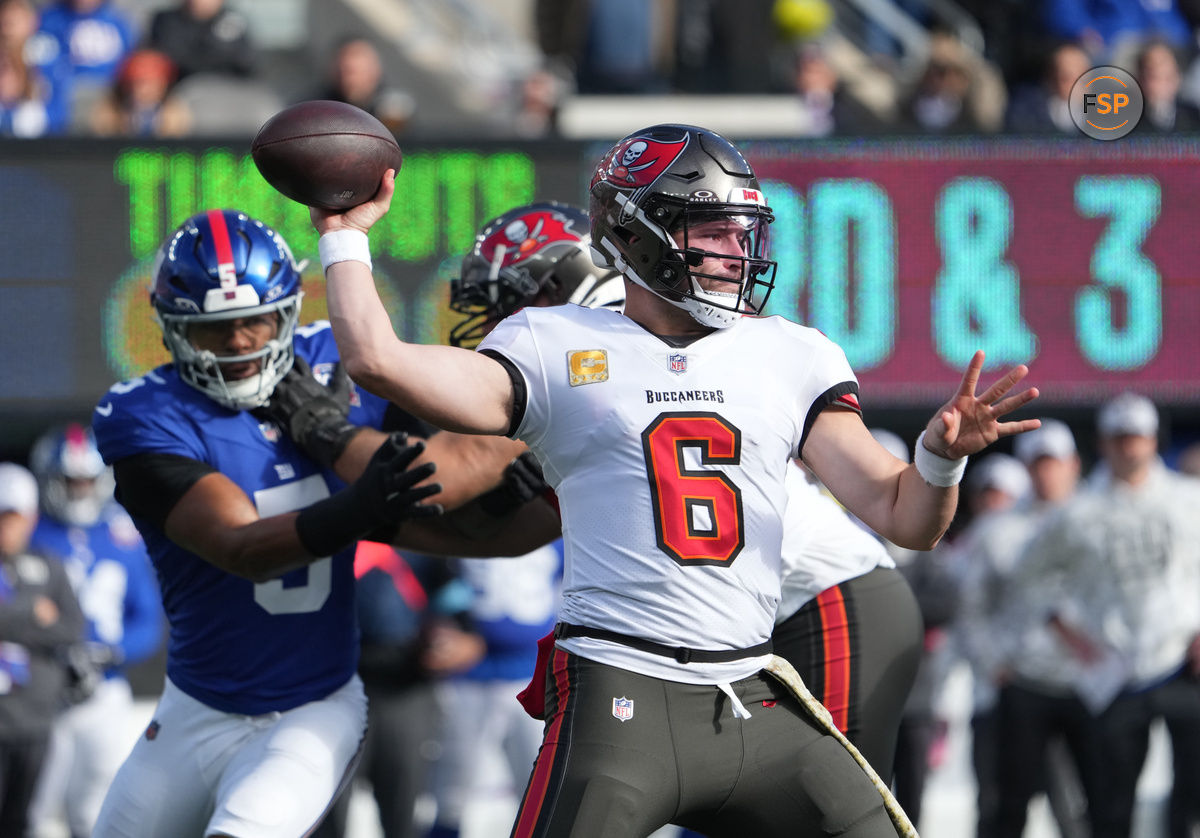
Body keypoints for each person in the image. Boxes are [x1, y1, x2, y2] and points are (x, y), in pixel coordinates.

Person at [310, 121, 1041, 837]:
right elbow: (378, 359)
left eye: (740, 231)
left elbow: (906, 516)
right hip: (622, 690)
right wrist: (345, 232)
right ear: (634, 237)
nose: (734, 252)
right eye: (711, 230)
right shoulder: (558, 344)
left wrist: (942, 457)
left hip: (755, 688)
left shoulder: (789, 351)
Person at [88, 208, 447, 838]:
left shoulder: (337, 360)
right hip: (194, 707)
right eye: (213, 331)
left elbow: (449, 461)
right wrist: (358, 505)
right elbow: (240, 546)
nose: (238, 345)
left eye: (255, 321)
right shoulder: (145, 411)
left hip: (311, 707)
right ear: (172, 329)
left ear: (287, 308)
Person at [1016, 393, 1200, 838]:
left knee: (1192, 796)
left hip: (1184, 658)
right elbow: (1028, 574)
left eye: (1137, 438)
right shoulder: (1077, 511)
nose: (1130, 448)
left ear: (1154, 440)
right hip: (1114, 667)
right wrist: (1062, 626)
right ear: (1104, 443)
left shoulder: (1189, 498)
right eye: (1121, 439)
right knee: (1110, 805)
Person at [25, 422, 163, 838]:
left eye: (87, 481)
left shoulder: (123, 534)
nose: (80, 490)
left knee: (102, 810)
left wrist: (110, 651)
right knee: (35, 810)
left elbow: (148, 619)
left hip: (105, 688)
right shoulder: (26, 532)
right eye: (70, 481)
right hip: (41, 687)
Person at [985, 419, 1099, 838]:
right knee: (1012, 801)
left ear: (1073, 465)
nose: (1047, 472)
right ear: (1026, 468)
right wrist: (993, 661)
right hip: (1024, 681)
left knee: (1100, 799)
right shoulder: (997, 529)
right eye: (1038, 463)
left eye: (1054, 463)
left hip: (1092, 680)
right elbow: (975, 606)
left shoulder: (1100, 519)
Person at [0, 462, 85, 837]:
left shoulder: (48, 565)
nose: (6, 526)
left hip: (35, 716)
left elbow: (71, 627)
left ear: (31, 518)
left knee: (27, 820)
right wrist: (32, 614)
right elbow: (45, 623)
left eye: (12, 517)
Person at [317, 36, 415, 136]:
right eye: (343, 72)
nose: (349, 81)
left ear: (374, 70)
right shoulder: (320, 106)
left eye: (353, 72)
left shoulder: (393, 106)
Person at [87, 48, 192, 137]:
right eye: (139, 83)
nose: (144, 90)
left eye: (151, 83)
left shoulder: (173, 111)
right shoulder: (114, 109)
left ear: (163, 85)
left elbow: (176, 146)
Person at [146, 0, 257, 82]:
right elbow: (169, 58)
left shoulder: (233, 21)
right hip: (179, 93)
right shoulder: (166, 20)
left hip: (226, 94)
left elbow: (246, 64)